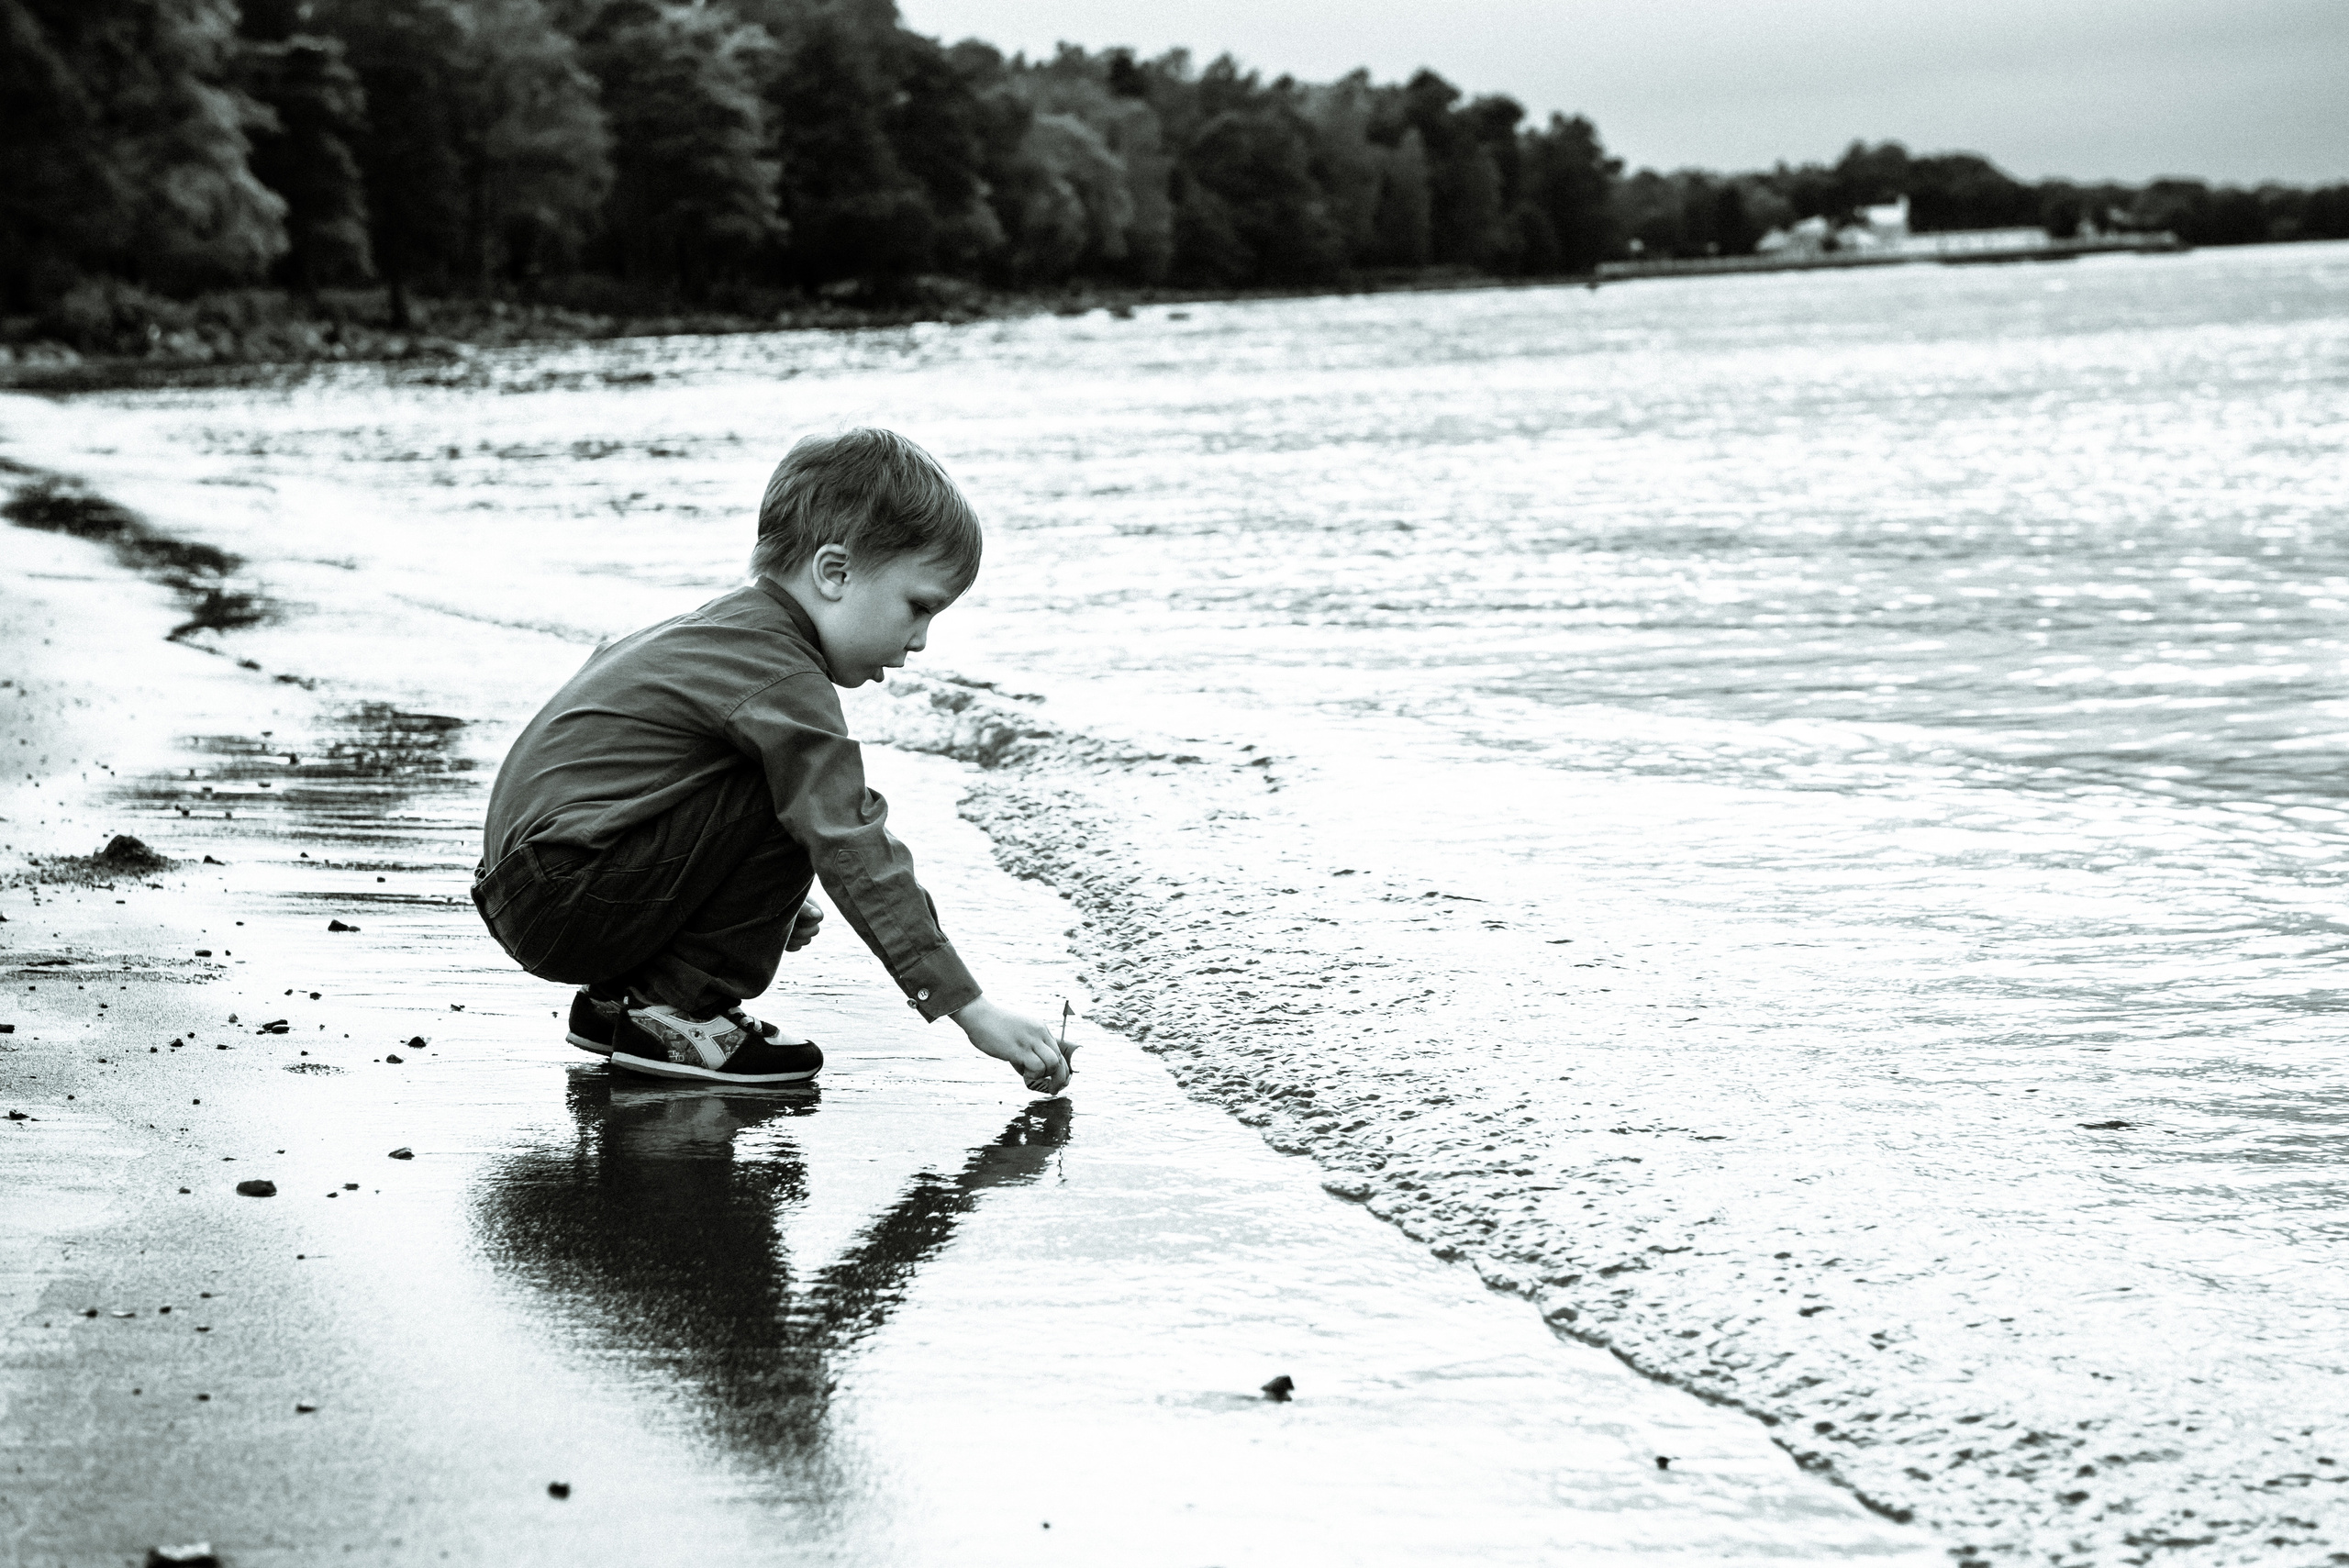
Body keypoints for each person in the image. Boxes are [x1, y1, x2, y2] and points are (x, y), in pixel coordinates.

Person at [471, 428, 1072, 1092]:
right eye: (919, 606)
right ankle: (676, 1013)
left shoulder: (726, 631)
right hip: (567, 893)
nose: (922, 640)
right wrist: (967, 1006)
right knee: (806, 791)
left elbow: (634, 788)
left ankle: (620, 1003)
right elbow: (852, 840)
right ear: (835, 572)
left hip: (529, 885)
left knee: (791, 787)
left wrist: (746, 900)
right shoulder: (782, 677)